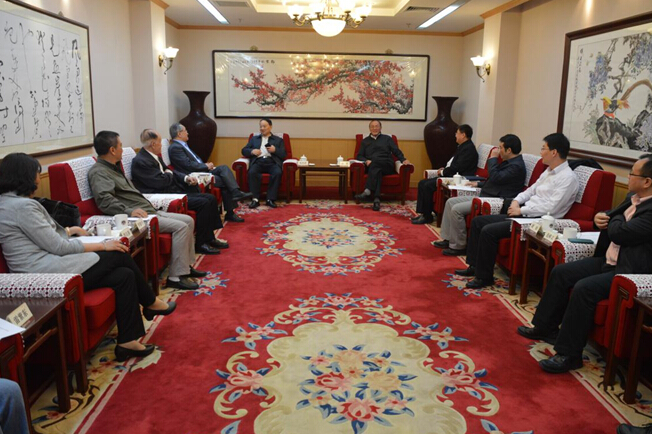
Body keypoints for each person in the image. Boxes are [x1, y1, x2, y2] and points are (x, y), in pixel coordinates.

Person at [0, 153, 176, 362]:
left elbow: (37, 237)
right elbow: (58, 247)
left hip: (42, 264)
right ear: (25, 176)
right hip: (45, 273)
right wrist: (103, 245)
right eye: (37, 174)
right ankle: (150, 302)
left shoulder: (7, 203)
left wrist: (70, 230)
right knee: (117, 253)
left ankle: (127, 341)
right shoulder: (23, 206)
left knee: (124, 275)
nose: (39, 179)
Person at [517, 155, 652, 374]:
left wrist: (612, 219)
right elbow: (609, 217)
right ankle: (544, 327)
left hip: (628, 272)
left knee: (584, 289)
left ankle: (569, 355)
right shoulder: (632, 198)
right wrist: (601, 218)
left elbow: (620, 232)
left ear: (647, 181)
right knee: (561, 272)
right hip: (608, 260)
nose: (628, 177)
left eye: (632, 173)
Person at [456, 133, 579, 289]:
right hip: (524, 213)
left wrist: (521, 210)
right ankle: (474, 267)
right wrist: (516, 201)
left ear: (554, 152)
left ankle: (484, 277)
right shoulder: (548, 171)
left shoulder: (568, 178)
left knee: (488, 231)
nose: (541, 152)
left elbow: (551, 207)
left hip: (538, 222)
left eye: (543, 148)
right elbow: (531, 190)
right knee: (478, 222)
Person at [88, 131, 206, 291]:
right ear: (112, 150)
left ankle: (186, 266)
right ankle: (176, 277)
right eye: (120, 146)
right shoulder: (99, 172)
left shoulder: (113, 168)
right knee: (181, 227)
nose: (123, 149)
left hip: (147, 209)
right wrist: (129, 211)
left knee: (188, 220)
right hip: (137, 216)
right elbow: (105, 201)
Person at [131, 129, 228, 255]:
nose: (162, 145)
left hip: (172, 189)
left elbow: (169, 171)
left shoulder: (154, 156)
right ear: (153, 144)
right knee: (203, 203)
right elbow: (160, 182)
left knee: (210, 198)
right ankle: (200, 244)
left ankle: (210, 238)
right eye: (159, 142)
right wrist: (168, 174)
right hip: (164, 195)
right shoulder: (141, 161)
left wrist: (185, 178)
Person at [433, 134, 526, 256]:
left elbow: (496, 177)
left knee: (456, 209)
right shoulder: (509, 162)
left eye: (500, 147)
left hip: (494, 200)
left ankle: (458, 246)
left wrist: (493, 159)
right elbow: (495, 180)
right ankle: (448, 239)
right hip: (485, 194)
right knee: (450, 202)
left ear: (509, 150)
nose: (498, 150)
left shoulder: (516, 166)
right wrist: (478, 184)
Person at [168, 122, 251, 222]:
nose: (188, 133)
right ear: (179, 134)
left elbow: (193, 161)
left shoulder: (182, 145)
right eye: (185, 131)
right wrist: (205, 166)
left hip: (201, 170)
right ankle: (232, 206)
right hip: (193, 175)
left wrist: (205, 165)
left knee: (224, 168)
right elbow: (187, 165)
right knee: (225, 180)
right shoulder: (175, 148)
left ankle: (235, 194)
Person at [411, 124, 478, 224]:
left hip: (459, 179)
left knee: (427, 185)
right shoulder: (463, 146)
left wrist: (443, 172)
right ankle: (424, 214)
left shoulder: (468, 149)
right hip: (452, 175)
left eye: (457, 133)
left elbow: (458, 167)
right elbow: (454, 164)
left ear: (463, 135)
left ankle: (427, 216)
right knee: (422, 183)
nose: (455, 135)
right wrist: (445, 169)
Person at [353, 120, 411, 211]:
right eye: (372, 126)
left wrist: (403, 159)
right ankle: (376, 199)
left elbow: (396, 151)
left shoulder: (387, 139)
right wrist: (366, 160)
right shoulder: (365, 141)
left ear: (380, 128)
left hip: (387, 164)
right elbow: (359, 155)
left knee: (375, 164)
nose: (374, 128)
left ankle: (368, 190)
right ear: (369, 128)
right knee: (377, 171)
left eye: (377, 126)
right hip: (372, 165)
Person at [241, 118, 287, 209]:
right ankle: (255, 199)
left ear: (270, 127)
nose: (262, 128)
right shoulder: (254, 139)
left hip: (272, 162)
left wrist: (275, 150)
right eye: (260, 126)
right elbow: (244, 150)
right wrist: (252, 151)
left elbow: (283, 154)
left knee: (277, 172)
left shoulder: (278, 140)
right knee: (252, 172)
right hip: (258, 162)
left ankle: (270, 199)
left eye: (264, 126)